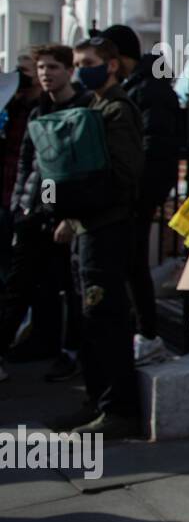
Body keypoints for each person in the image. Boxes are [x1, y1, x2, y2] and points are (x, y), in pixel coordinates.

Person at [55, 37, 145, 437]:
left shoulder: (117, 110)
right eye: (76, 63)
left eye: (87, 62)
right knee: (88, 320)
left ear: (110, 65)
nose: (80, 70)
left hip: (107, 227)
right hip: (86, 227)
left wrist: (83, 201)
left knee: (106, 318)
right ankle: (96, 400)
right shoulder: (91, 106)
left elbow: (122, 175)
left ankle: (119, 409)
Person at [92, 24, 181, 367]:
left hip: (137, 193)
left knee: (134, 263)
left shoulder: (149, 90)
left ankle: (147, 333)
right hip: (129, 193)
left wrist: (135, 193)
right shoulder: (133, 86)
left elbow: (155, 147)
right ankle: (138, 329)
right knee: (127, 264)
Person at [0, 45, 90, 384]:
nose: (44, 74)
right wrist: (21, 207)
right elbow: (27, 162)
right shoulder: (37, 112)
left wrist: (70, 215)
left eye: (52, 67)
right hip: (32, 213)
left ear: (68, 71)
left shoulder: (83, 108)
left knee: (69, 286)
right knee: (19, 284)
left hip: (65, 216)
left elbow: (81, 167)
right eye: (40, 68)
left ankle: (69, 352)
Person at [0, 52, 42, 288]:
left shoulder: (42, 108)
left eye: (24, 71)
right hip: (7, 193)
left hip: (27, 199)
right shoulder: (12, 107)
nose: (18, 77)